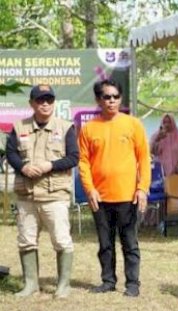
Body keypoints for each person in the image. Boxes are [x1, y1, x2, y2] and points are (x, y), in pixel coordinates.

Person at [78, 79, 151, 297]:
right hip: (99, 197)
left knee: (129, 242)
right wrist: (89, 189)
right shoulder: (89, 128)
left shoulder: (133, 124)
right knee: (105, 243)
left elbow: (144, 159)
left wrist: (142, 188)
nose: (111, 101)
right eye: (106, 97)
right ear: (98, 100)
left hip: (128, 196)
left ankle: (132, 284)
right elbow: (83, 162)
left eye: (115, 97)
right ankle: (108, 281)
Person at [5, 84, 78, 299]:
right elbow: (11, 153)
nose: (45, 104)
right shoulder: (19, 127)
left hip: (54, 195)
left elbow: (74, 157)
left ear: (54, 103)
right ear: (32, 104)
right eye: (40, 100)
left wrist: (50, 165)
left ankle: (63, 285)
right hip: (26, 195)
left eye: (49, 100)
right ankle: (31, 284)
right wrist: (23, 167)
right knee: (26, 239)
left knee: (61, 240)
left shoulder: (65, 127)